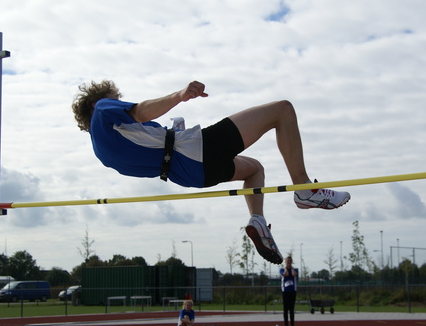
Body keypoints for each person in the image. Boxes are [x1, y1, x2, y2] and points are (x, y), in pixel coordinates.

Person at [72, 80, 350, 265]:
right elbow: (141, 111)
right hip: (198, 151)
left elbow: (153, 151)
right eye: (114, 98)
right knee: (282, 110)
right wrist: (178, 96)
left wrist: (173, 130)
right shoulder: (103, 110)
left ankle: (259, 222)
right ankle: (304, 190)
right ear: (98, 102)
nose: (118, 101)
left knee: (255, 170)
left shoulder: (104, 153)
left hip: (192, 175)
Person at [280, 256, 299, 326]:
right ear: (285, 261)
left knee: (291, 309)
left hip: (292, 291)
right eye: (287, 261)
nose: (289, 262)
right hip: (285, 291)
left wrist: (291, 268)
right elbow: (285, 274)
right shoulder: (282, 269)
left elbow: (294, 274)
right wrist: (285, 268)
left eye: (290, 261)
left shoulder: (295, 269)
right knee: (285, 309)